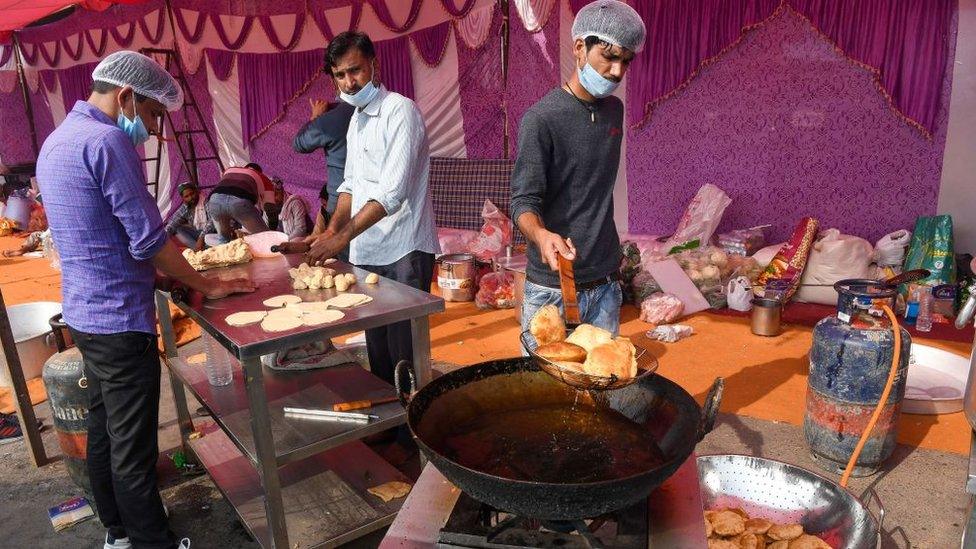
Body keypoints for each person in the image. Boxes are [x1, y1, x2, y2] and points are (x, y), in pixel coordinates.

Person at [36, 50, 255, 549]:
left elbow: (99, 237)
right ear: (128, 96)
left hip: (85, 312)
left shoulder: (57, 139)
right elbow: (147, 239)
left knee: (104, 427)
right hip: (118, 319)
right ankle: (151, 541)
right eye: (155, 115)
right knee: (132, 444)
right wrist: (209, 284)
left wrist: (164, 279)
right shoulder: (108, 140)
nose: (155, 130)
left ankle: (116, 532)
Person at [301, 30, 439, 406]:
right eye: (340, 75)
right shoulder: (356, 119)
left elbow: (391, 193)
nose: (349, 81)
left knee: (405, 353)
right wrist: (330, 230)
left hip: (404, 250)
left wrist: (340, 239)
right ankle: (389, 421)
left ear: (373, 65)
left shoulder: (401, 111)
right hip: (368, 251)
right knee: (378, 350)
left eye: (355, 71)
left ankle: (412, 436)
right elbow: (350, 185)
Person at [510, 0, 645, 338]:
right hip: (551, 288)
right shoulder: (541, 119)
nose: (617, 72)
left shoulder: (614, 111)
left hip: (604, 283)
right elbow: (523, 202)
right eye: (609, 57)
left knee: (601, 384)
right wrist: (541, 235)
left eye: (626, 61)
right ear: (579, 48)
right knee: (542, 390)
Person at [293, 97, 355, 223]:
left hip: (341, 204)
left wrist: (315, 117)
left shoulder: (333, 118)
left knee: (338, 240)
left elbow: (299, 144)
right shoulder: (387, 109)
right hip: (374, 202)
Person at [206, 162, 275, 242]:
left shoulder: (229, 170)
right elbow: (270, 209)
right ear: (259, 172)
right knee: (266, 239)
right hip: (239, 203)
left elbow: (226, 195)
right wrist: (273, 228)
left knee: (224, 240)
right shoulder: (263, 178)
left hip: (214, 201)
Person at [165, 181, 213, 250]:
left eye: (192, 194)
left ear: (196, 191)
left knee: (217, 240)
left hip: (210, 234)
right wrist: (161, 241)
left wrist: (201, 237)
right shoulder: (185, 207)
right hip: (198, 235)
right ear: (183, 198)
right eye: (186, 196)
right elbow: (172, 223)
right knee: (177, 229)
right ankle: (198, 249)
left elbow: (212, 222)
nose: (190, 198)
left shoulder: (206, 202)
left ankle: (200, 248)